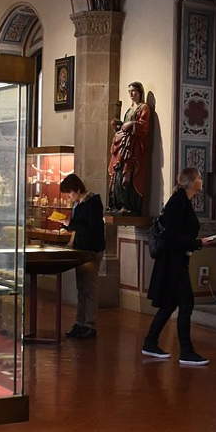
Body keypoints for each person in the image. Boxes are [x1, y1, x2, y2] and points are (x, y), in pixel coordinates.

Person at [142, 167, 214, 364]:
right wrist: (198, 243)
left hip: (175, 261)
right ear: (191, 182)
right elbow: (172, 237)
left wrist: (195, 242)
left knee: (170, 304)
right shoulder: (178, 202)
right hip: (173, 263)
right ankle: (186, 351)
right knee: (186, 303)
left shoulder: (183, 201)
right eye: (199, 177)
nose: (202, 180)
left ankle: (150, 342)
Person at [57, 173, 105, 339]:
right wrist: (71, 239)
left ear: (77, 189)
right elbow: (78, 228)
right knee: (81, 288)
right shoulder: (78, 205)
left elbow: (91, 227)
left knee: (89, 288)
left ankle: (89, 324)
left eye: (70, 193)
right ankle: (80, 322)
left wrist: (70, 224)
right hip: (80, 250)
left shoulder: (93, 202)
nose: (69, 198)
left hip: (91, 250)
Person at [107, 81, 153, 215]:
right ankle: (118, 204)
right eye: (130, 92)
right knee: (118, 173)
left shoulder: (144, 108)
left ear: (140, 92)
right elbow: (124, 126)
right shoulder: (129, 109)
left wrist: (132, 124)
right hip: (124, 145)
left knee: (128, 176)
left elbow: (144, 126)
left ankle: (130, 205)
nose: (132, 94)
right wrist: (118, 125)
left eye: (134, 91)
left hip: (134, 148)